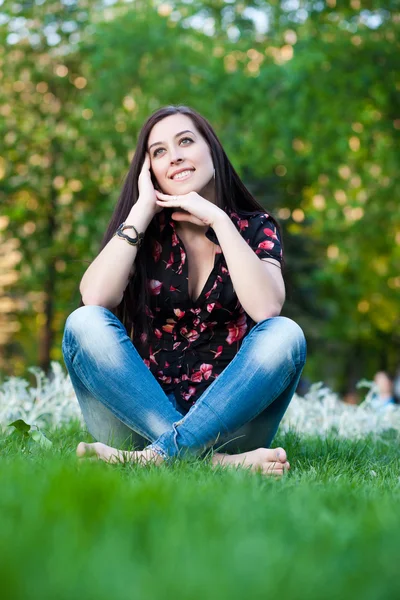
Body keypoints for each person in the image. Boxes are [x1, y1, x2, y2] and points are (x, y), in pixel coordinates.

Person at [61, 105, 307, 476]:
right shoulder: (142, 232)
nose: (174, 156)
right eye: (158, 151)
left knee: (286, 334)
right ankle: (215, 464)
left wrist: (219, 220)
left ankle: (155, 457)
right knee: (84, 323)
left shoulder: (255, 228)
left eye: (186, 141)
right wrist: (142, 209)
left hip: (228, 424)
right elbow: (95, 298)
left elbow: (267, 307)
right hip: (137, 419)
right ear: (150, 171)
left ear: (212, 150)